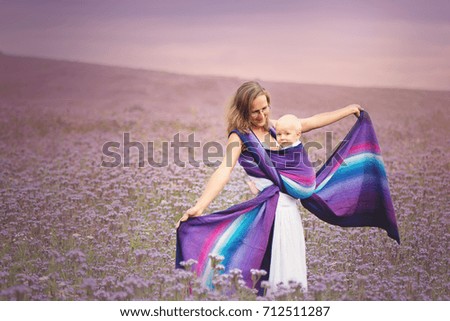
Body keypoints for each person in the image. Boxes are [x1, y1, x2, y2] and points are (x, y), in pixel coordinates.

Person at [176, 81, 362, 292]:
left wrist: (348, 110)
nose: (262, 115)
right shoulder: (240, 136)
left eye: (265, 108)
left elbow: (311, 122)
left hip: (289, 212)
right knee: (268, 270)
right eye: (255, 112)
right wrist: (200, 206)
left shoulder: (276, 127)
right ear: (243, 110)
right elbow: (224, 169)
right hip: (271, 212)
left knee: (289, 271)